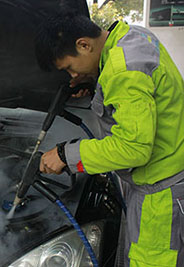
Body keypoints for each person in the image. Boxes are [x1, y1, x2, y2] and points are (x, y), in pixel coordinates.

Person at [35, 13, 184, 267]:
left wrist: (65, 155)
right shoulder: (133, 37)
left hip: (158, 197)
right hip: (165, 178)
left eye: (70, 67)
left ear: (84, 44)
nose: (72, 75)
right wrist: (96, 83)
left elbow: (133, 148)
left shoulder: (123, 71)